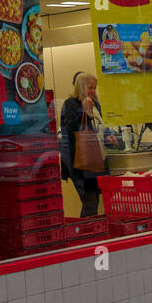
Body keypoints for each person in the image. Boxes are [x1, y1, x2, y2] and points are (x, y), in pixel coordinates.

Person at [60, 72, 103, 217]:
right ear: (81, 87)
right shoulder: (71, 104)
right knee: (90, 201)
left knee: (93, 200)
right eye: (90, 87)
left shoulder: (95, 104)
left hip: (92, 161)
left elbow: (102, 125)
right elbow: (70, 128)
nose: (93, 91)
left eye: (95, 88)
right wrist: (84, 111)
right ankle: (88, 234)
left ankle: (90, 233)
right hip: (79, 163)